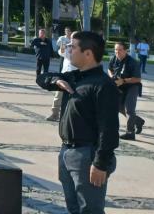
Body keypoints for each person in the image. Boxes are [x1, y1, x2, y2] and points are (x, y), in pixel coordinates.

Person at [37, 31, 119, 214]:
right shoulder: (74, 77)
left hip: (87, 155)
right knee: (74, 208)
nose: (68, 50)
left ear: (88, 53)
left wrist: (100, 163)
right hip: (67, 151)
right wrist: (56, 80)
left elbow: (109, 129)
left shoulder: (104, 86)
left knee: (90, 210)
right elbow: (41, 79)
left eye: (73, 47)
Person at [109, 41, 145, 140]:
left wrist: (123, 80)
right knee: (118, 107)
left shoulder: (133, 62)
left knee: (129, 109)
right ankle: (138, 121)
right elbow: (109, 69)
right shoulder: (113, 59)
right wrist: (112, 76)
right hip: (119, 87)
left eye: (120, 50)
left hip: (132, 86)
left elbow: (138, 79)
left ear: (126, 51)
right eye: (116, 49)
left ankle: (130, 132)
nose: (117, 52)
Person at [48, 27, 75, 121]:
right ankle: (54, 114)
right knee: (58, 95)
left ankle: (71, 117)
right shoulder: (68, 46)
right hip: (64, 74)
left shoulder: (82, 49)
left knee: (73, 96)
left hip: (76, 76)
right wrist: (64, 46)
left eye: (74, 38)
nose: (72, 40)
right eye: (71, 38)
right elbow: (61, 52)